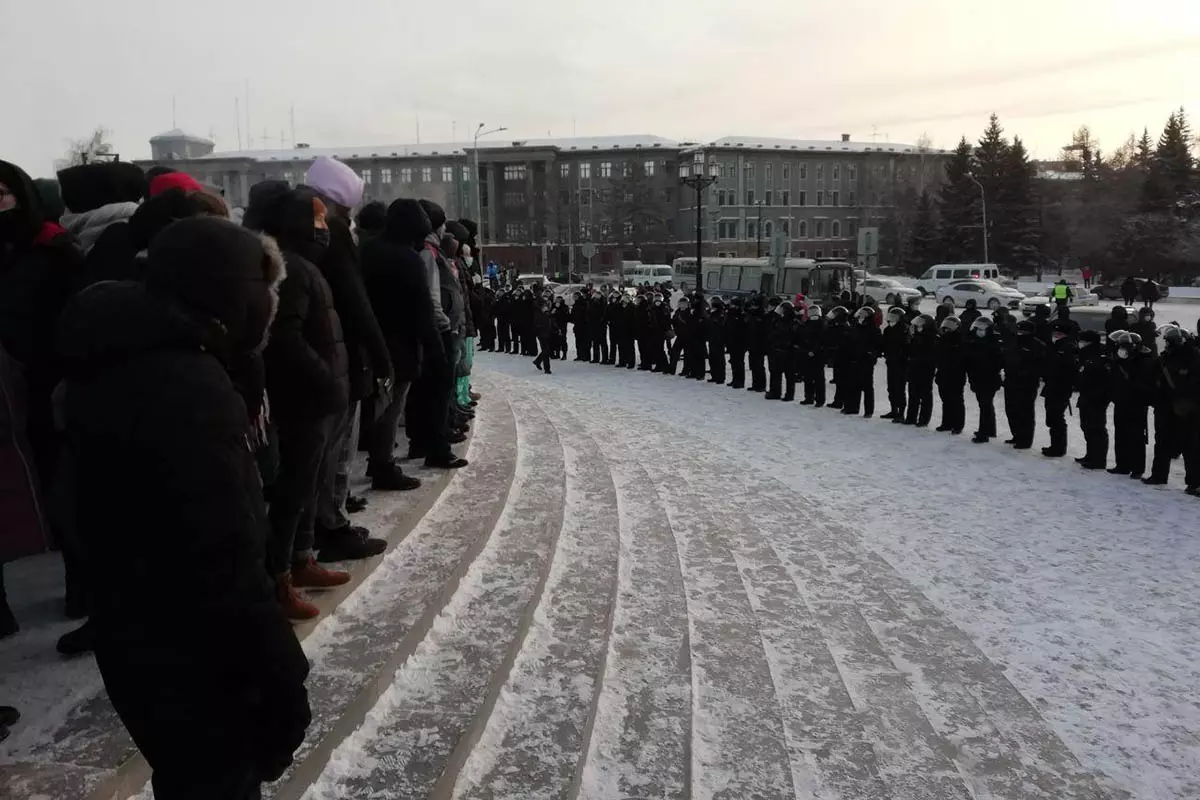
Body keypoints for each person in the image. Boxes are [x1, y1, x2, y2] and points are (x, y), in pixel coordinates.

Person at [58, 217, 311, 799]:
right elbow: (223, 550)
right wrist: (282, 677)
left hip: (138, 638)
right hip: (197, 657)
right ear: (233, 296)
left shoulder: (115, 357)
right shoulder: (187, 386)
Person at [250, 185, 352, 620]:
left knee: (307, 485)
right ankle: (280, 577)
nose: (324, 229)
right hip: (303, 397)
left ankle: (300, 559)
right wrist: (325, 379)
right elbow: (286, 338)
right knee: (293, 489)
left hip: (316, 396)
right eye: (318, 220)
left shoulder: (305, 265)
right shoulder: (289, 267)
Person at [305, 158, 390, 560]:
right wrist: (380, 357)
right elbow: (356, 302)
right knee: (336, 449)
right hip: (339, 354)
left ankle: (321, 523)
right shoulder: (332, 236)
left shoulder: (293, 230)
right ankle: (331, 526)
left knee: (321, 450)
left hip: (317, 354)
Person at [360, 198, 440, 491]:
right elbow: (423, 309)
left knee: (374, 406)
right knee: (390, 408)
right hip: (400, 344)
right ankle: (383, 464)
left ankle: (377, 459)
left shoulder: (367, 251)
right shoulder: (408, 259)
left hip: (369, 341)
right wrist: (435, 350)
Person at [412, 200, 468, 469]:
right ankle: (436, 447)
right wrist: (444, 324)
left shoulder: (434, 251)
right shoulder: (428, 253)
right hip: (439, 330)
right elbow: (431, 295)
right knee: (436, 392)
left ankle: (431, 440)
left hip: (443, 328)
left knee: (436, 391)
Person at [1144, 324, 1200, 487]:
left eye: (1168, 341)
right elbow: (1154, 378)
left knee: (1188, 444)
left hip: (1185, 407)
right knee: (1164, 441)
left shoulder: (1192, 357)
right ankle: (1159, 476)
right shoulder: (1165, 357)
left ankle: (1193, 482)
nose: (1166, 344)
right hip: (1167, 405)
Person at [1108, 330, 1151, 478]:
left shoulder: (1143, 361)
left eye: (1123, 346)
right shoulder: (1119, 360)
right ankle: (1122, 465)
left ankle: (1137, 468)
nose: (1120, 349)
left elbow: (1144, 384)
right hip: (1121, 401)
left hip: (1136, 403)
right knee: (1121, 434)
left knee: (1136, 436)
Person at [1003, 320, 1044, 450]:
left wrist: (1026, 373)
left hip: (1027, 384)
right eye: (1019, 330)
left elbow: (1040, 365)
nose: (1020, 333)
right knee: (1011, 410)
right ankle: (1016, 435)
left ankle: (1025, 440)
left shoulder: (1037, 345)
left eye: (1023, 331)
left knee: (1025, 412)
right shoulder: (1013, 342)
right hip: (1010, 381)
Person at [1074, 330, 1112, 470]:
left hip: (1097, 397)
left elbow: (1102, 377)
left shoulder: (1101, 354)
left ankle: (1098, 459)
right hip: (1086, 394)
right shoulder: (1085, 353)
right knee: (1086, 426)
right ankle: (1090, 455)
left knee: (1096, 428)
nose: (1080, 343)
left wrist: (1099, 394)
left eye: (1082, 341)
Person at [1040, 320, 1077, 458]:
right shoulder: (1054, 346)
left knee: (1056, 418)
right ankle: (1055, 445)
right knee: (1052, 417)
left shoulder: (1067, 348)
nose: (1055, 336)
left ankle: (1058, 448)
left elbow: (1069, 369)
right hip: (1051, 386)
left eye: (1059, 334)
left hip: (1060, 388)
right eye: (1054, 333)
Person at [966, 317, 1003, 443]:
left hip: (989, 379)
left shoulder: (994, 342)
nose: (979, 331)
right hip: (978, 378)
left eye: (982, 329)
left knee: (985, 405)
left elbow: (998, 362)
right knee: (985, 405)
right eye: (977, 328)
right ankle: (990, 429)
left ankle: (984, 433)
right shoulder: (975, 341)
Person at [842, 306, 881, 417]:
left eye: (864, 314)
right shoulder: (855, 327)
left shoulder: (874, 329)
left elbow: (877, 346)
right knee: (853, 384)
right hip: (853, 359)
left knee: (867, 386)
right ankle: (852, 407)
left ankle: (868, 410)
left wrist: (870, 355)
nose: (861, 316)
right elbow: (849, 341)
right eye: (860, 313)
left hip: (866, 361)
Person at [934, 316, 967, 434]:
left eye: (950, 326)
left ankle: (958, 425)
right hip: (943, 372)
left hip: (956, 374)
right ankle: (946, 423)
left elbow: (962, 357)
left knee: (956, 400)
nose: (947, 328)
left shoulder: (960, 339)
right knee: (945, 399)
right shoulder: (942, 339)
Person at [903, 314, 937, 427]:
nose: (918, 327)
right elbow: (910, 350)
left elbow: (928, 352)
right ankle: (911, 417)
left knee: (925, 394)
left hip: (926, 369)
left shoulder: (932, 337)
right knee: (913, 393)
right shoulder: (916, 336)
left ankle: (924, 418)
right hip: (914, 367)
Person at [881, 306, 909, 422]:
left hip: (901, 363)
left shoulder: (904, 330)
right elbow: (884, 344)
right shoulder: (888, 330)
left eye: (894, 317)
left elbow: (906, 346)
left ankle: (901, 413)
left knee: (899, 389)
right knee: (891, 388)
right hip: (891, 362)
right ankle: (893, 410)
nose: (891, 320)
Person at [765, 301, 796, 401]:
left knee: (786, 374)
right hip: (780, 350)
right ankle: (778, 392)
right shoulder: (781, 320)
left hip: (786, 351)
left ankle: (784, 393)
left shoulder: (789, 322)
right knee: (778, 373)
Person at [800, 305, 827, 407]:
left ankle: (820, 399)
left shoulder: (822, 324)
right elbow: (803, 337)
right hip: (807, 352)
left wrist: (814, 351)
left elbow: (822, 340)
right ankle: (809, 397)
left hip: (818, 354)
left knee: (818, 378)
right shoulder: (806, 324)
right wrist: (805, 350)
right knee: (808, 377)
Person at [746, 294, 768, 392]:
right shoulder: (752, 314)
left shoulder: (762, 315)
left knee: (759, 365)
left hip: (759, 343)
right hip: (752, 341)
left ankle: (761, 385)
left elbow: (763, 330)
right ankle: (755, 384)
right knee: (754, 365)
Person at [724, 296, 747, 388]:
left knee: (739, 362)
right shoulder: (730, 314)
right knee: (733, 361)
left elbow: (742, 329)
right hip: (731, 340)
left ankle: (740, 381)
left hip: (739, 342)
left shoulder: (741, 315)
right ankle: (735, 379)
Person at [531, 294, 555, 374]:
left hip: (548, 330)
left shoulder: (548, 307)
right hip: (541, 331)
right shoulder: (538, 309)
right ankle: (547, 369)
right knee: (546, 350)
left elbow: (550, 319)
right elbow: (545, 317)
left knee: (547, 349)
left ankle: (538, 361)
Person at [706, 296, 727, 384]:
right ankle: (714, 375)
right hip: (712, 338)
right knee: (712, 358)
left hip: (719, 339)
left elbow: (721, 325)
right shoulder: (712, 313)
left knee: (719, 359)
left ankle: (720, 377)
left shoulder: (721, 314)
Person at [588, 290, 609, 364]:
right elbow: (589, 312)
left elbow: (605, 313)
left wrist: (602, 320)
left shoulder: (603, 302)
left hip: (601, 325)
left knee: (603, 342)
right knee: (595, 342)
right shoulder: (592, 302)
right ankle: (596, 358)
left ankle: (605, 358)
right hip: (594, 324)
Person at [571, 290, 589, 360]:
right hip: (577, 325)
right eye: (574, 296)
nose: (574, 297)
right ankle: (579, 355)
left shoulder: (583, 303)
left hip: (583, 325)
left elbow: (584, 314)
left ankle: (585, 355)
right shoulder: (575, 304)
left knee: (583, 341)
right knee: (578, 341)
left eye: (576, 296)